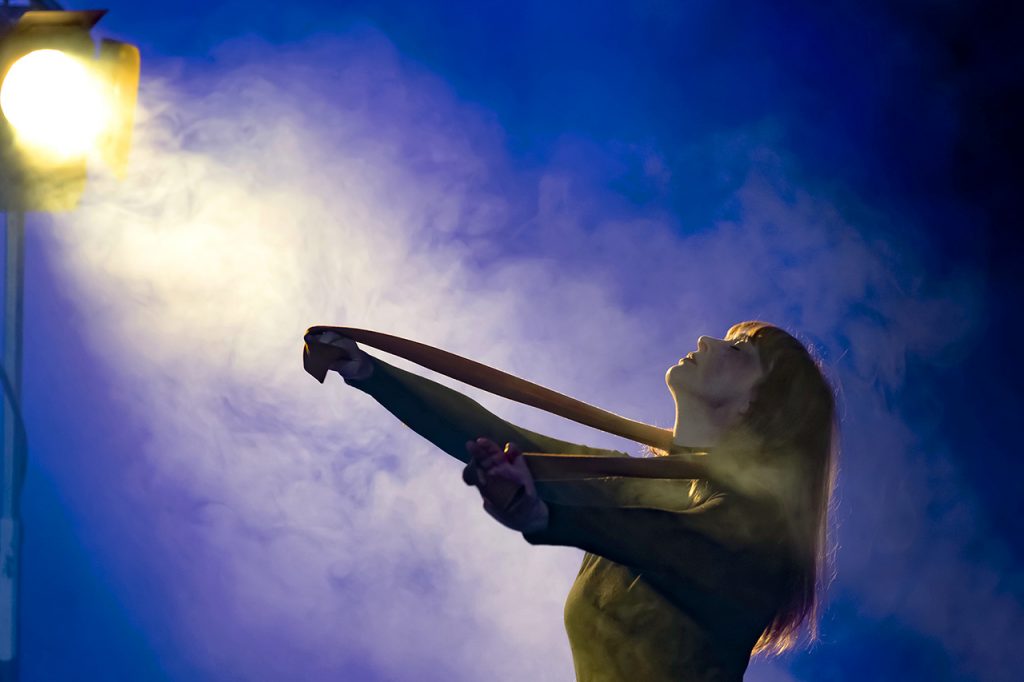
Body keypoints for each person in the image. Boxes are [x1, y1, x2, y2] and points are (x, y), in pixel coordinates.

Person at [306, 321, 838, 681]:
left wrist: (543, 514)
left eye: (740, 351)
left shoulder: (761, 529)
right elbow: (502, 439)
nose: (707, 339)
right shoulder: (640, 487)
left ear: (757, 408)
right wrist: (366, 370)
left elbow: (671, 543)